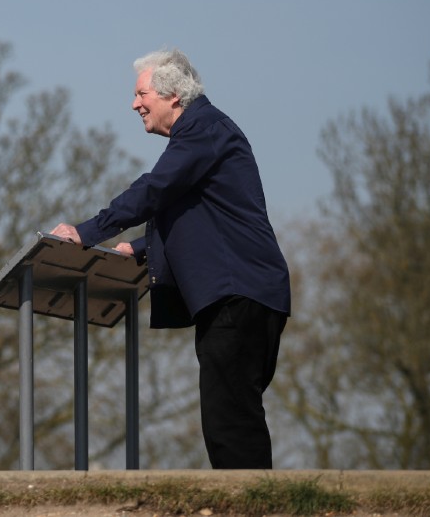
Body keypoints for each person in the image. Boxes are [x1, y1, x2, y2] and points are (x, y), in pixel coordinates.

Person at [50, 48, 290, 469]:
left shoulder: (204, 129)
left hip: (236, 294)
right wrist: (140, 248)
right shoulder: (205, 135)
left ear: (173, 95)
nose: (134, 104)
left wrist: (87, 232)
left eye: (141, 94)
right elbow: (198, 214)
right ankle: (252, 496)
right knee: (230, 412)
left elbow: (156, 188)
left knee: (230, 419)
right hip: (244, 293)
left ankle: (251, 500)